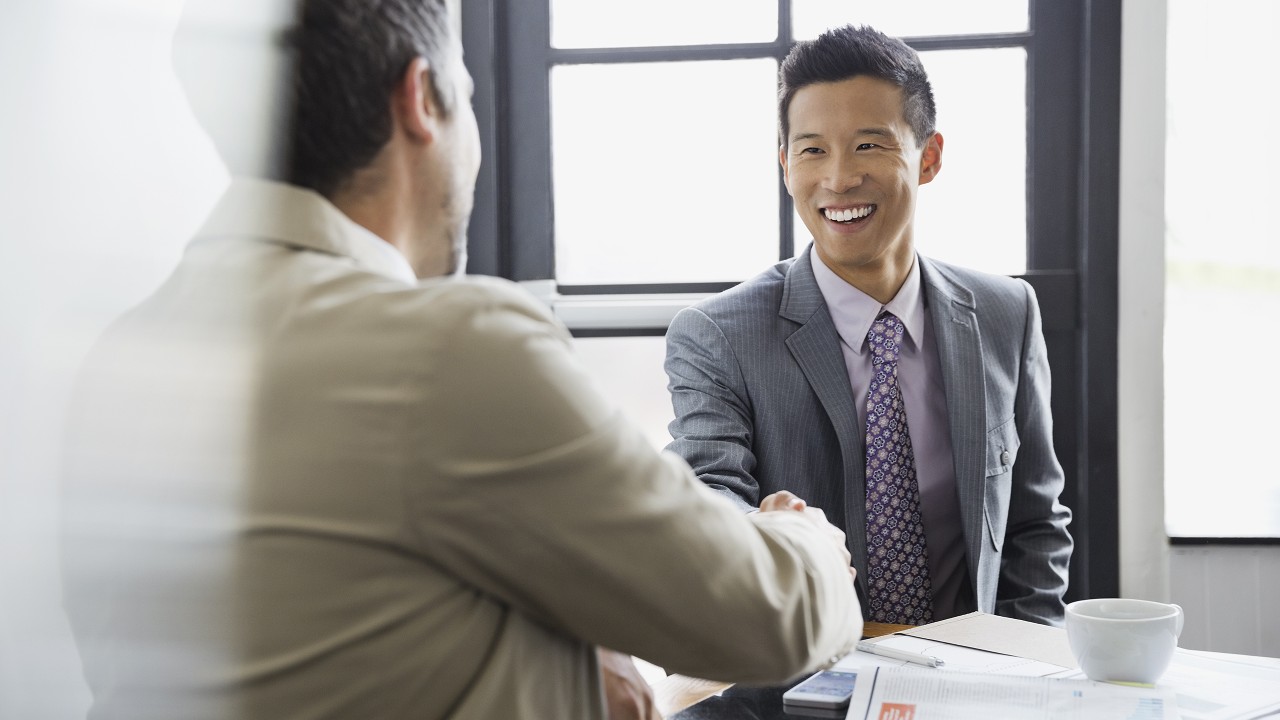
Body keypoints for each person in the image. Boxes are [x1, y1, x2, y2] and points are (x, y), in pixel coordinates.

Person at [58, 2, 863, 719]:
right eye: (471, 98)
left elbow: (338, 626)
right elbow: (772, 616)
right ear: (420, 99)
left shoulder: (121, 354)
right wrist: (809, 541)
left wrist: (576, 674)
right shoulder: (444, 349)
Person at [664, 24, 1073, 628]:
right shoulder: (716, 335)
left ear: (928, 157)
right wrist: (758, 528)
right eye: (811, 150)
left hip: (977, 684)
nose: (838, 179)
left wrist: (1020, 668)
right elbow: (703, 494)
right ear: (785, 165)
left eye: (869, 145)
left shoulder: (1005, 313)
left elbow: (1034, 521)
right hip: (800, 684)